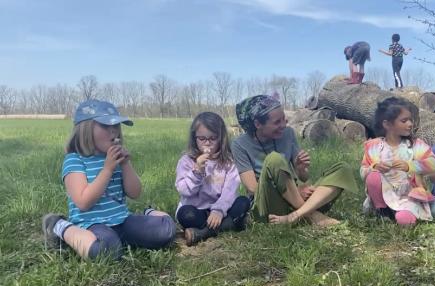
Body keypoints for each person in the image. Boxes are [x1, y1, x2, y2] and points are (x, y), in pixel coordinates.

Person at [41, 100, 176, 260]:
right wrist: (107, 170)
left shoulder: (114, 158)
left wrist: (125, 164)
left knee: (166, 230)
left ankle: (148, 213)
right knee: (107, 251)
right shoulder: (75, 160)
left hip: (122, 220)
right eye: (106, 126)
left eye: (116, 126)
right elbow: (83, 202)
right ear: (85, 129)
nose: (114, 132)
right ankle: (59, 226)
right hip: (91, 224)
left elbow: (135, 193)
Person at [231, 95, 358, 226]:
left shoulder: (288, 133)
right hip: (268, 205)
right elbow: (252, 188)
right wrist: (296, 192)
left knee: (342, 169)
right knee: (274, 159)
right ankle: (312, 215)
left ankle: (296, 215)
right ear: (257, 124)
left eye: (283, 119)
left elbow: (303, 178)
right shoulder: (239, 145)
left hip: (294, 194)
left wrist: (300, 169)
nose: (283, 125)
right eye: (277, 122)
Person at [360, 97, 435, 227]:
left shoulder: (414, 145)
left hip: (407, 197)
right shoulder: (374, 146)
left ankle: (401, 214)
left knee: (406, 221)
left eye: (411, 120)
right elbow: (363, 171)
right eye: (404, 121)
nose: (410, 124)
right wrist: (375, 167)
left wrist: (410, 166)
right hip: (382, 195)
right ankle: (383, 211)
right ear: (387, 124)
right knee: (373, 176)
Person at [175, 111, 251, 246]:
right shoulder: (186, 161)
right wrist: (197, 172)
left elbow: (230, 191)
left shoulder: (228, 162)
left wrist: (219, 210)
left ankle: (203, 233)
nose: (207, 143)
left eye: (212, 138)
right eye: (202, 139)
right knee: (184, 214)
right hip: (197, 210)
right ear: (194, 138)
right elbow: (184, 191)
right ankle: (229, 226)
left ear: (221, 139)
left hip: (221, 210)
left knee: (243, 202)